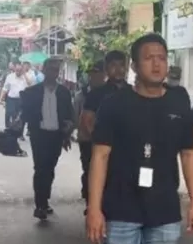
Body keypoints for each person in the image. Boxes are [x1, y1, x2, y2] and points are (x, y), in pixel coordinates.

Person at [86, 33, 193, 244]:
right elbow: (100, 156)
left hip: (163, 209)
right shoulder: (114, 104)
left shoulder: (179, 101)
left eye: (162, 57)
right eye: (149, 57)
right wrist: (94, 209)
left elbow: (189, 153)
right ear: (134, 65)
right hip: (121, 207)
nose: (157, 63)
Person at [20, 58, 75, 219]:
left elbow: (69, 115)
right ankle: (40, 205)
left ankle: (45, 201)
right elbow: (25, 114)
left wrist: (67, 134)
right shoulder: (33, 92)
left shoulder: (64, 92)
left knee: (50, 169)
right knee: (40, 168)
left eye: (56, 70)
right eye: (50, 69)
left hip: (56, 137)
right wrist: (18, 128)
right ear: (43, 70)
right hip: (39, 135)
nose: (53, 72)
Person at [80, 50, 129, 214]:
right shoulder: (96, 94)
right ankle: (94, 207)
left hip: (127, 149)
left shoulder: (134, 92)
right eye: (113, 66)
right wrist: (100, 140)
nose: (118, 70)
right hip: (101, 148)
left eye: (122, 65)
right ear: (107, 70)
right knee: (97, 177)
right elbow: (87, 120)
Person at [75, 60, 107, 209]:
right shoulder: (82, 94)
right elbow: (76, 116)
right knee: (89, 170)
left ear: (103, 75)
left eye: (97, 74)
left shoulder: (110, 94)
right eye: (91, 74)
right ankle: (90, 202)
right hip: (87, 140)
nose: (94, 77)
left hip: (106, 141)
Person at [0, 63, 28, 157]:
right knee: (9, 114)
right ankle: (9, 131)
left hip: (21, 99)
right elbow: (5, 88)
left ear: (22, 70)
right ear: (14, 70)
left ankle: (20, 133)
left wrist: (25, 75)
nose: (18, 72)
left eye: (20, 70)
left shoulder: (25, 77)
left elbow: (31, 84)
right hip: (11, 99)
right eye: (17, 70)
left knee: (20, 117)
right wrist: (0, 99)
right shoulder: (10, 77)